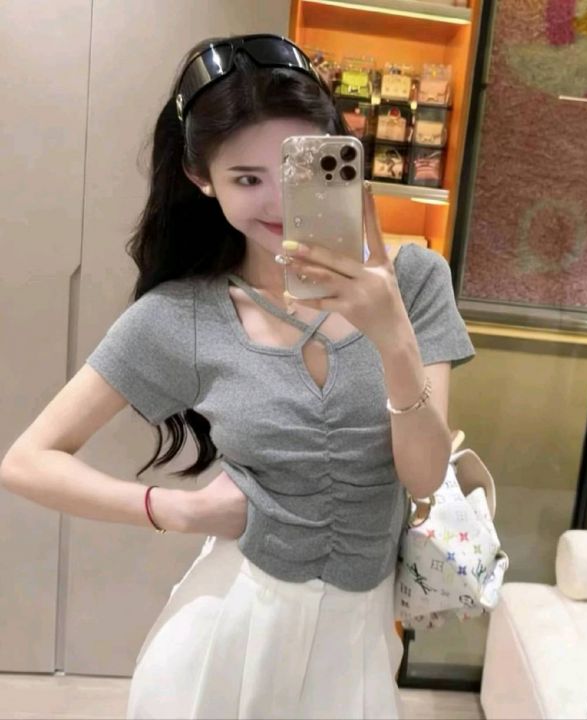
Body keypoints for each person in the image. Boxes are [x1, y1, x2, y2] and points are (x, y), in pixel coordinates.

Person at [0, 34, 475, 719]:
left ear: (337, 153)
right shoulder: (185, 314)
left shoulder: (416, 281)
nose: (277, 201)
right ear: (203, 180)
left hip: (360, 640)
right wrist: (175, 509)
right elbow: (26, 461)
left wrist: (393, 335)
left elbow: (424, 478)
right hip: (231, 630)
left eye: (296, 169)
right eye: (246, 179)